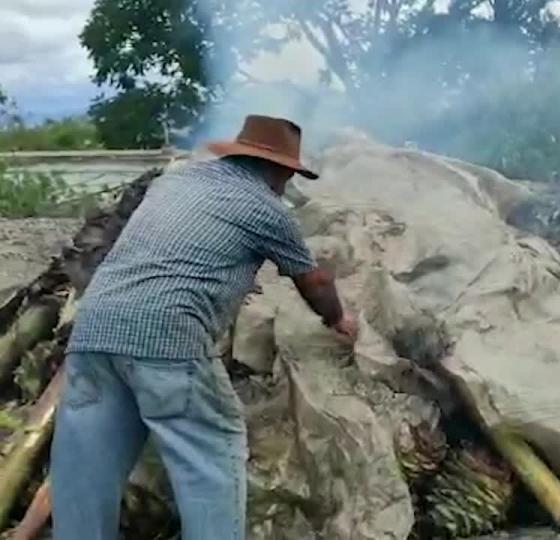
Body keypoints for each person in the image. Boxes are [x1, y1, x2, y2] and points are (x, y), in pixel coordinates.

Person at [50, 114, 358, 539]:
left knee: (85, 468)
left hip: (93, 331)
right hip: (168, 337)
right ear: (284, 170)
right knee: (212, 456)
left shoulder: (173, 182)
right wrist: (339, 319)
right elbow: (315, 281)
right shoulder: (267, 210)